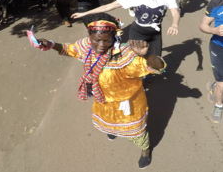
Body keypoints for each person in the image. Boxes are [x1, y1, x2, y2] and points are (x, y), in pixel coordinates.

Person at [33, 13, 165, 169]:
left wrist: (147, 55)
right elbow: (70, 49)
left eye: (107, 40)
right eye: (97, 40)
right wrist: (50, 44)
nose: (101, 45)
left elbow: (157, 67)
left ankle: (145, 150)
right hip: (103, 101)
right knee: (109, 124)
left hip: (128, 105)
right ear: (89, 37)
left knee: (137, 133)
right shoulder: (85, 47)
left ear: (114, 37)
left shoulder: (126, 55)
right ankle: (113, 129)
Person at [71, 0, 180, 61]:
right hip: (138, 32)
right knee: (137, 60)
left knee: (156, 62)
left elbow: (175, 12)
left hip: (155, 33)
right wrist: (84, 13)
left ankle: (148, 75)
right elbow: (109, 6)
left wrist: (174, 24)